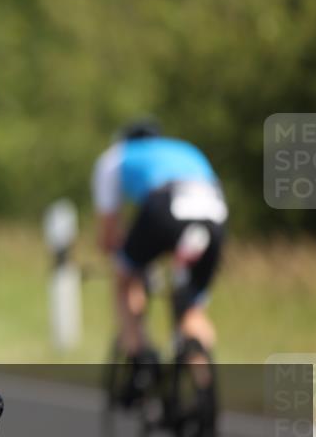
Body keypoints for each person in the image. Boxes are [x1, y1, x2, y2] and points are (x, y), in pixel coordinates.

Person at [91, 120, 227, 364]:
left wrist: (120, 253)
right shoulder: (185, 149)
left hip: (164, 205)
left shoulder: (115, 157)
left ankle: (139, 354)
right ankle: (202, 385)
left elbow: (108, 232)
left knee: (125, 280)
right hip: (214, 213)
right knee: (192, 308)